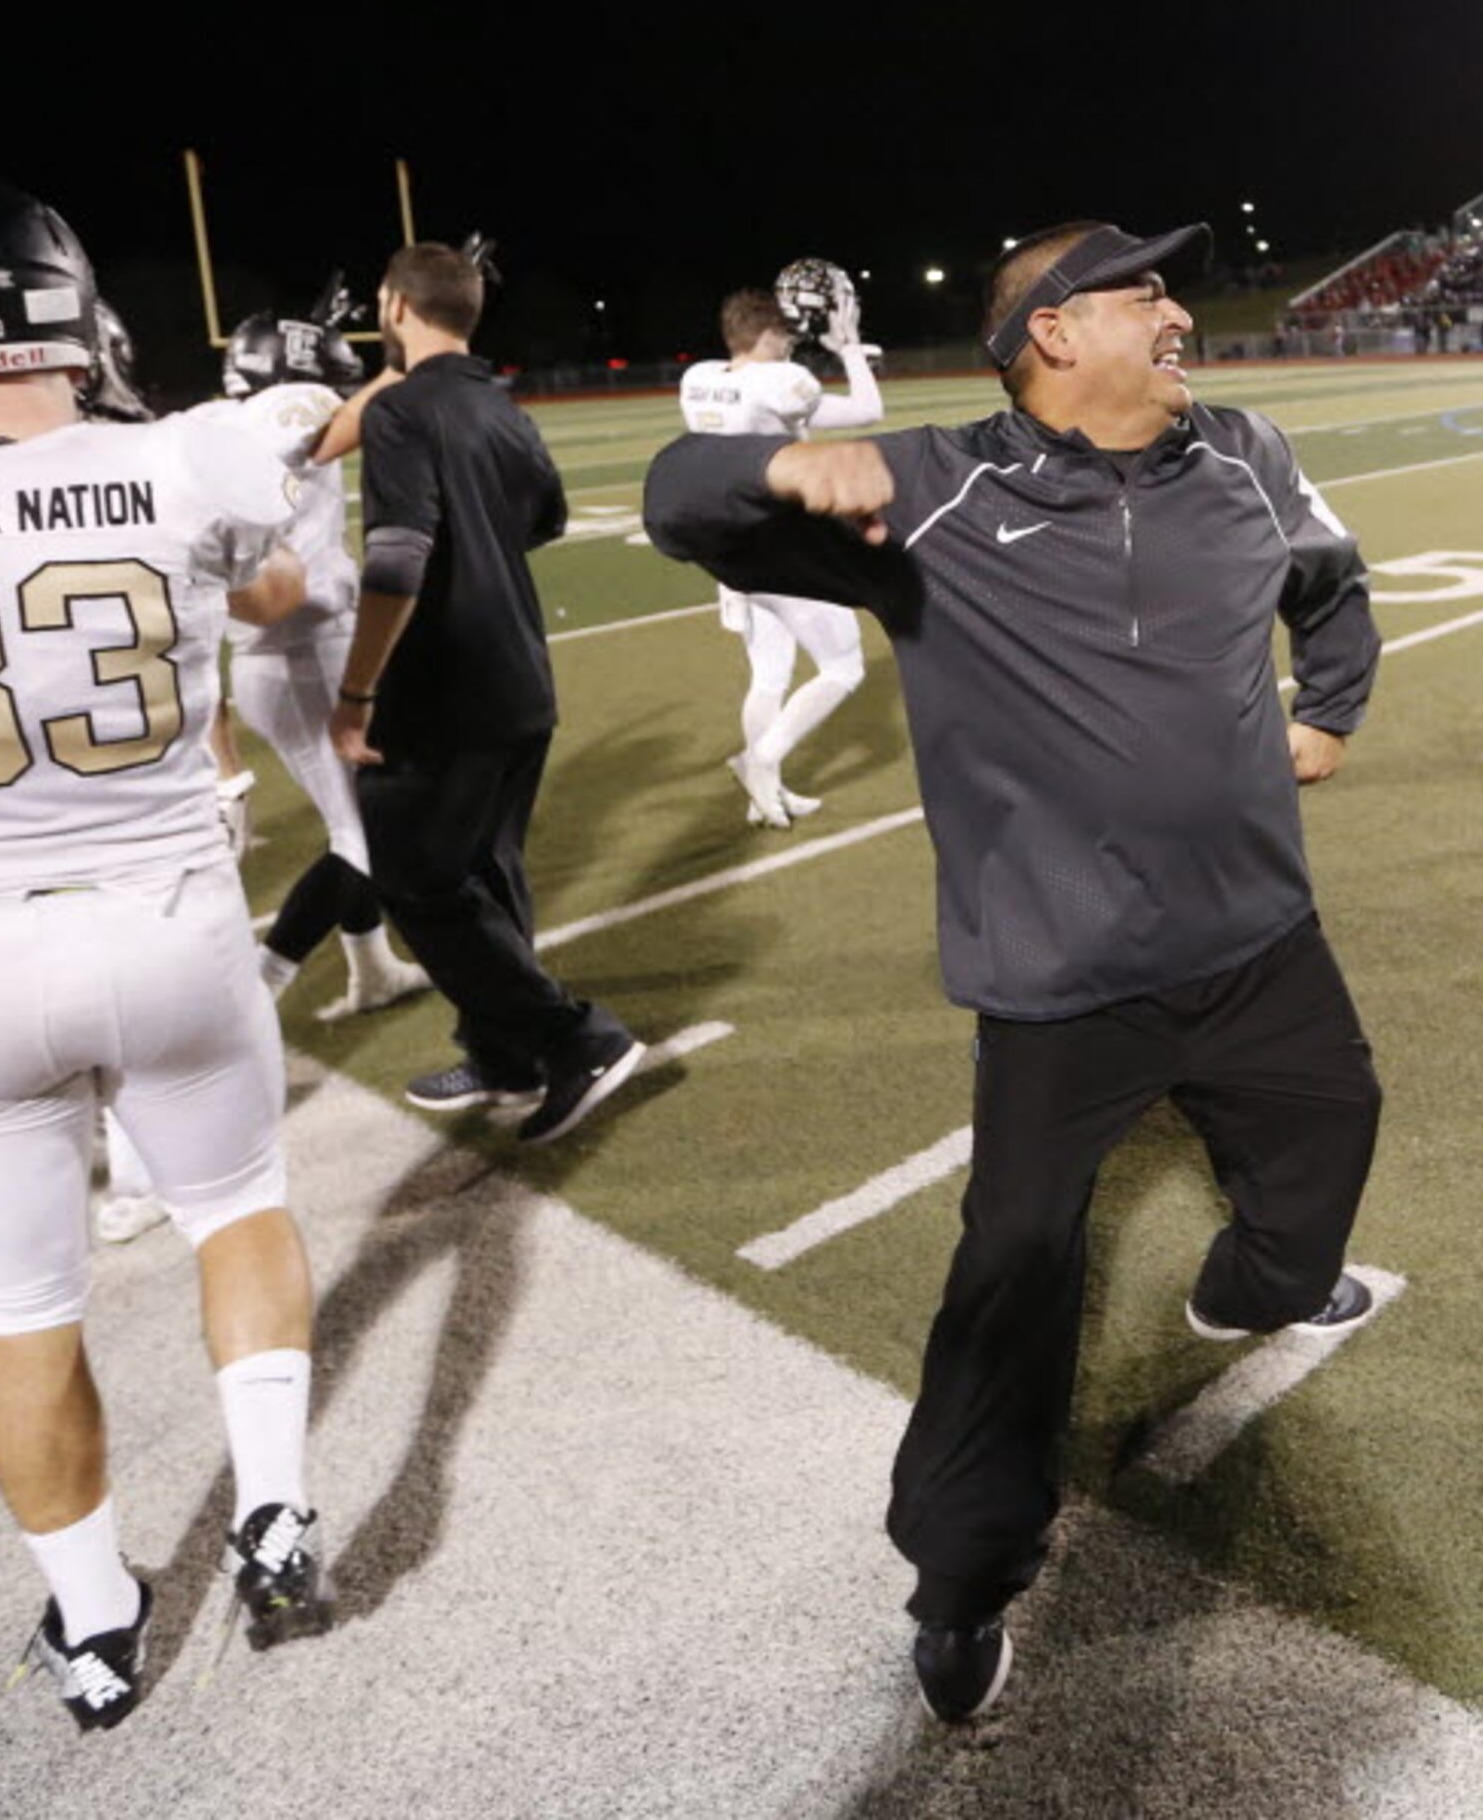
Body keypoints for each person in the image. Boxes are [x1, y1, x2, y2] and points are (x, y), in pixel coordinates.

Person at [644, 221, 1384, 1723]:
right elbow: (672, 500)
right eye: (1144, 291)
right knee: (1011, 1278)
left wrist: (1335, 711)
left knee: (1331, 1124)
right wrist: (778, 471)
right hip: (1059, 976)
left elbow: (1331, 578)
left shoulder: (1242, 447)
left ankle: (1259, 1285)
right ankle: (964, 1577)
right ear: (1052, 332)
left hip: (1258, 938)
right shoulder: (927, 487)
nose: (1178, 311)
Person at [0, 172, 333, 1732]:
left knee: (19, 1304)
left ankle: (97, 1624)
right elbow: (279, 573)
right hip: (172, 922)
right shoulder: (184, 455)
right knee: (235, 1205)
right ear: (70, 306)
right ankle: (277, 1503)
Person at [326, 243, 644, 1144]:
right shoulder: (499, 406)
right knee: (487, 870)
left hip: (444, 684)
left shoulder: (402, 407)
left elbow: (394, 560)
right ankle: (505, 1054)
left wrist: (356, 691)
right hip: (519, 673)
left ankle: (574, 1039)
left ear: (392, 305)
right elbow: (546, 517)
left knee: (416, 875)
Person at [201, 306, 429, 1018]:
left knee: (350, 822)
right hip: (306, 653)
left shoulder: (207, 422)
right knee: (371, 835)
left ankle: (372, 969)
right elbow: (305, 431)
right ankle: (259, 988)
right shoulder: (284, 406)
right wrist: (410, 350)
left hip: (270, 660)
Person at [677, 270, 885, 828]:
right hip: (782, 548)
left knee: (769, 674)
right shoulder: (781, 381)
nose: (792, 343)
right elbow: (867, 410)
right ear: (769, 336)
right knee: (843, 668)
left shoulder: (698, 378)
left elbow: (776, 404)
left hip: (729, 550)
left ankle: (762, 796)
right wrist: (848, 350)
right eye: (786, 337)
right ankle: (759, 762)